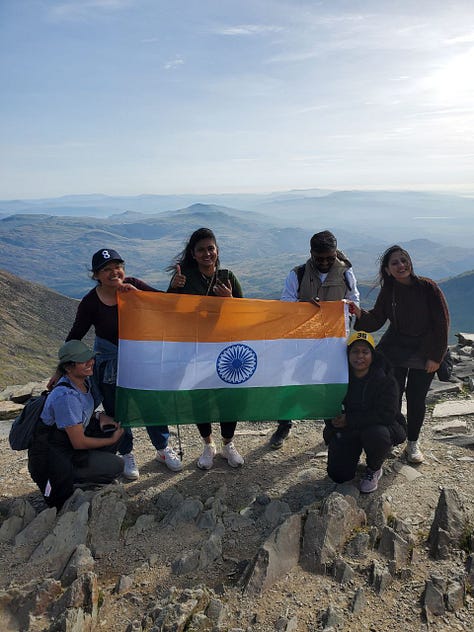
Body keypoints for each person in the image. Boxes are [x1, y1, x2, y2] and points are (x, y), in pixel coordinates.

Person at [50, 248, 183, 479]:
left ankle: (162, 449)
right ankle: (127, 452)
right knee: (118, 409)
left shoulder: (133, 285)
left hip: (142, 358)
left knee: (152, 403)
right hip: (110, 363)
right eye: (106, 270)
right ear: (96, 275)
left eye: (117, 267)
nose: (114, 273)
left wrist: (138, 296)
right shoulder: (91, 302)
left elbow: (163, 304)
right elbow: (74, 336)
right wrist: (61, 371)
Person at [348, 245, 449, 464]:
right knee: (391, 397)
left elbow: (442, 323)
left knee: (416, 399)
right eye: (395, 263)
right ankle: (393, 437)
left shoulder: (428, 287)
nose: (401, 265)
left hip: (425, 350)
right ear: (387, 270)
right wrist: (358, 315)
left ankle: (412, 443)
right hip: (395, 349)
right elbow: (375, 320)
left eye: (404, 260)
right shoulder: (389, 290)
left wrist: (436, 356)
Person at [269, 230, 360, 449]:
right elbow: (286, 304)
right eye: (320, 259)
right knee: (291, 380)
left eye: (330, 258)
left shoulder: (346, 273)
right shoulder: (298, 274)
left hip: (333, 342)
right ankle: (284, 425)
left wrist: (343, 309)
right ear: (311, 254)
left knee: (332, 384)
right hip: (303, 341)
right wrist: (309, 308)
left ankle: (332, 427)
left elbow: (354, 300)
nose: (325, 263)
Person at [168, 227, 244, 470]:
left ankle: (228, 444)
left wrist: (230, 302)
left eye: (210, 248)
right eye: (201, 250)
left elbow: (246, 314)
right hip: (195, 350)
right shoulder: (185, 279)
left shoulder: (228, 277)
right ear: (193, 253)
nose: (207, 253)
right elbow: (168, 313)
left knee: (228, 398)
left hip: (226, 350)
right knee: (200, 397)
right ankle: (208, 445)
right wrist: (172, 289)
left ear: (217, 250)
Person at [28, 340, 125, 509]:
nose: (91, 362)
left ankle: (89, 472)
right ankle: (78, 480)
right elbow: (78, 442)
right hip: (53, 459)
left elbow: (80, 415)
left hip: (68, 446)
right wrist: (111, 441)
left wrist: (99, 415)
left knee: (112, 428)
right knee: (117, 465)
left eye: (90, 358)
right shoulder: (66, 397)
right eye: (83, 361)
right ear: (68, 368)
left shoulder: (83, 381)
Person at [324, 331, 407, 492]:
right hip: (350, 430)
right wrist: (332, 422)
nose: (359, 356)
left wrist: (350, 420)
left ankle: (374, 468)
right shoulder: (340, 379)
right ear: (347, 355)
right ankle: (351, 457)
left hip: (378, 427)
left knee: (376, 435)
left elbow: (387, 415)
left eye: (365, 352)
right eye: (355, 351)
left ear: (372, 355)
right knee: (339, 475)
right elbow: (329, 406)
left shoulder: (386, 379)